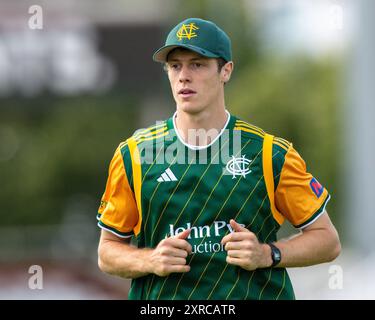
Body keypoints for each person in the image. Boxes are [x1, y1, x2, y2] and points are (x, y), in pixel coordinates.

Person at [97, 18, 341, 300]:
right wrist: (150, 260)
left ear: (225, 71)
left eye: (197, 64)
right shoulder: (134, 155)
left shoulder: (269, 153)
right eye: (175, 66)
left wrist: (267, 253)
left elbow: (327, 240)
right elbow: (107, 252)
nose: (183, 76)